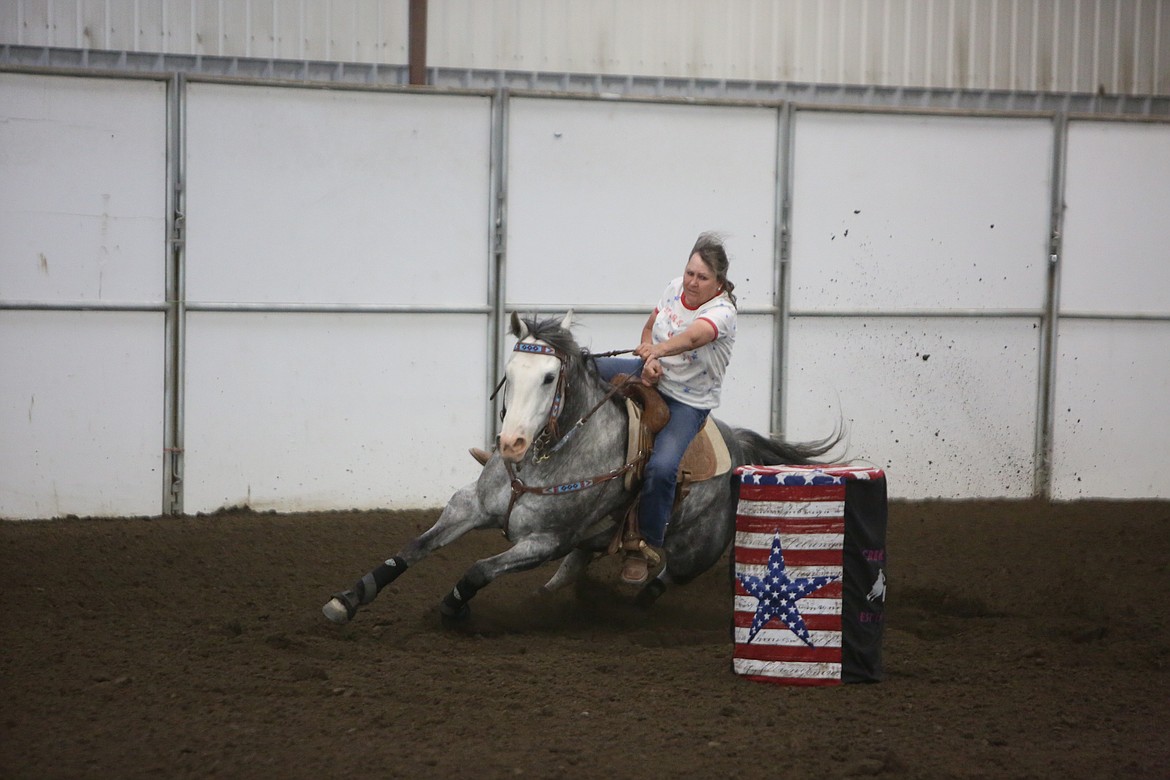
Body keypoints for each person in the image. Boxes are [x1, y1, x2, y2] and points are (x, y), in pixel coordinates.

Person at [594, 232, 738, 584]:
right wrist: (647, 354)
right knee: (581, 371)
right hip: (650, 375)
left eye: (702, 277)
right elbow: (649, 329)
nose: (692, 282)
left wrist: (656, 354)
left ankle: (645, 545)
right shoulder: (674, 288)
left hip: (688, 402)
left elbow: (693, 337)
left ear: (718, 283)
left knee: (661, 468)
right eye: (690, 272)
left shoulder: (722, 313)